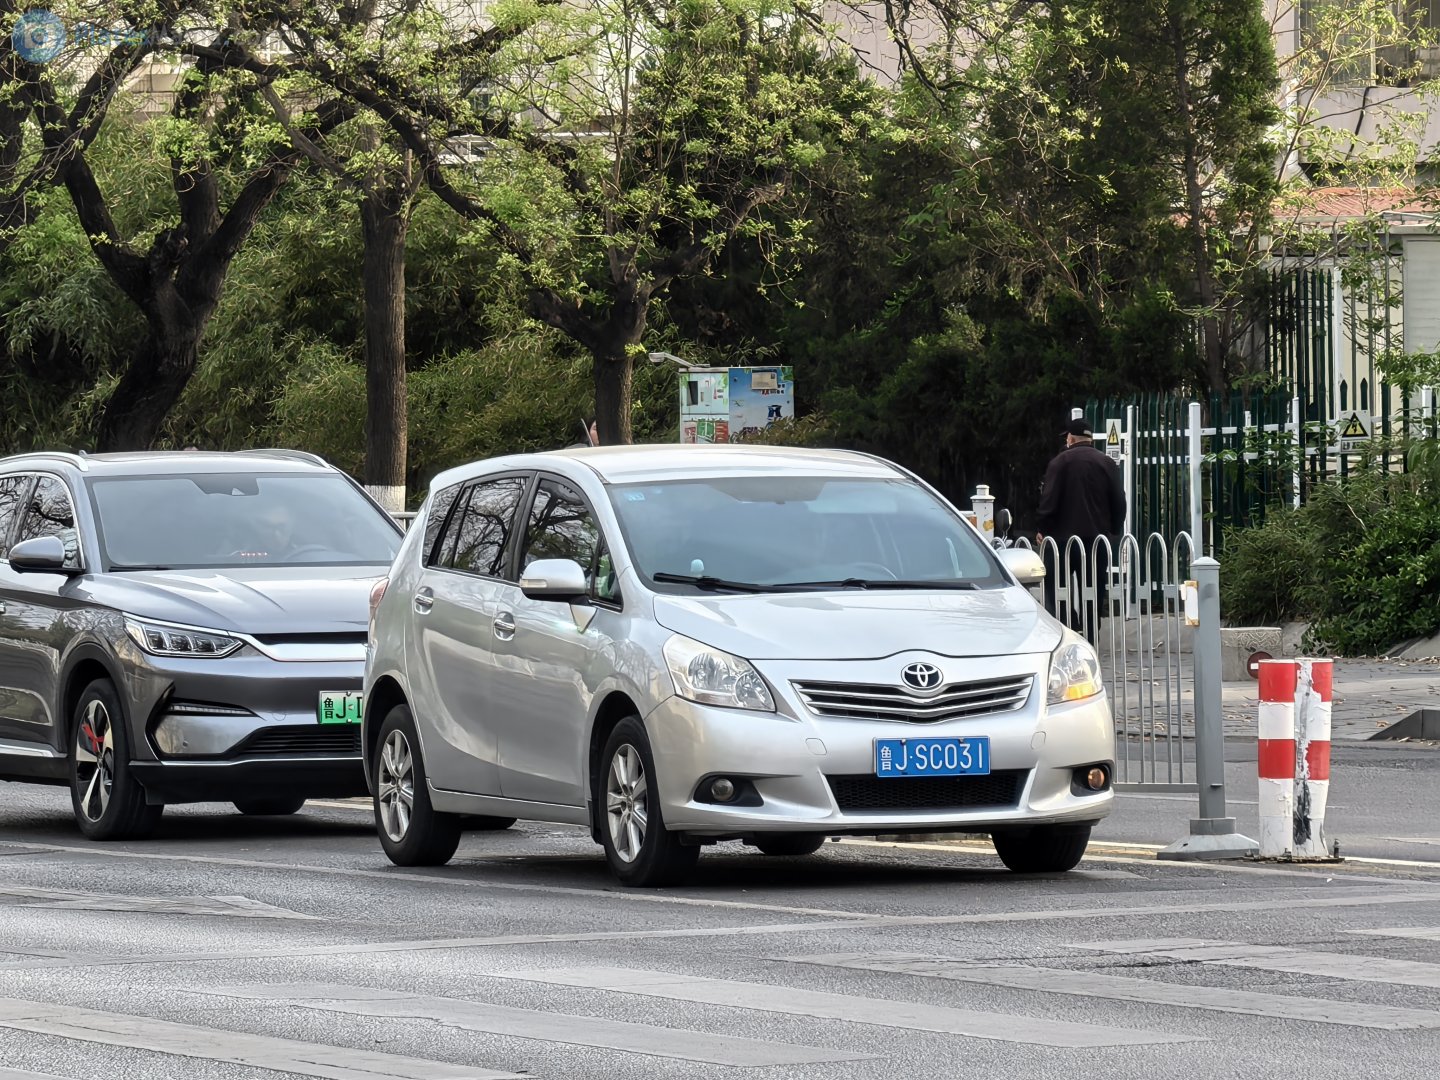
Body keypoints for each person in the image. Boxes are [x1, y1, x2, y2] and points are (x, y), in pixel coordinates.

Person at [1036, 417, 1126, 642]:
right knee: (1094, 589)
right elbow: (1119, 501)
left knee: (1058, 589)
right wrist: (1113, 530)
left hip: (1061, 541)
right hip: (1096, 541)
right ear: (1090, 438)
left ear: (1070, 438)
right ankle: (1090, 635)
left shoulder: (1059, 462)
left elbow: (1049, 500)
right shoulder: (1106, 463)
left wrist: (1042, 528)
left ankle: (1069, 629)